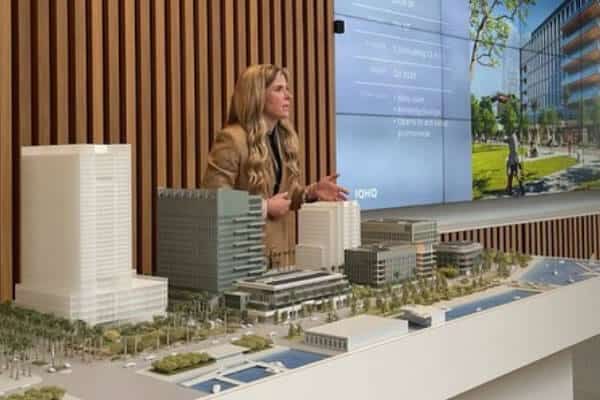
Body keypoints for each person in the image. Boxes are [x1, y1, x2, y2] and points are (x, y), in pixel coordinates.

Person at [202, 64, 348, 264]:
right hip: (243, 259)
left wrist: (311, 192)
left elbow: (283, 197)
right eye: (279, 89)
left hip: (280, 258)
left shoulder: (282, 139)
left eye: (286, 89)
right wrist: (264, 208)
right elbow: (214, 200)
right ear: (257, 96)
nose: (289, 96)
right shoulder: (231, 139)